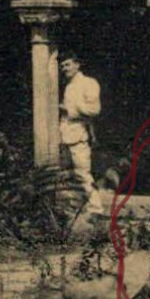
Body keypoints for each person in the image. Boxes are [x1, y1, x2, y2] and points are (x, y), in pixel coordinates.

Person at [58, 53, 103, 214]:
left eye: (67, 64)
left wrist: (67, 109)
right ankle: (74, 208)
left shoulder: (88, 83)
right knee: (68, 175)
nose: (64, 69)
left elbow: (94, 109)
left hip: (79, 132)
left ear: (77, 65)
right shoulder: (69, 85)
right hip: (65, 133)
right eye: (62, 66)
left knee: (83, 173)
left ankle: (96, 208)